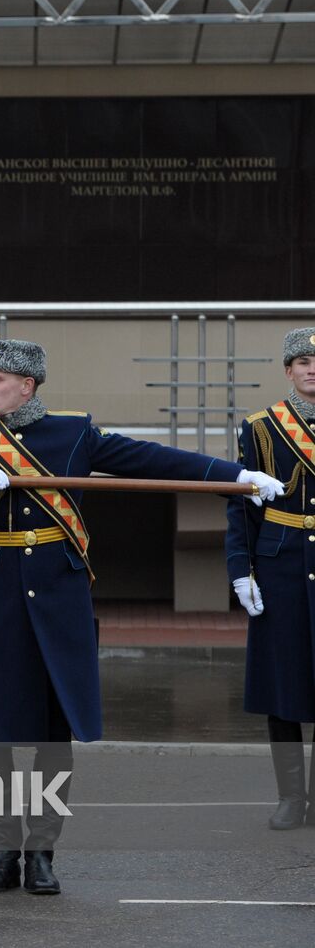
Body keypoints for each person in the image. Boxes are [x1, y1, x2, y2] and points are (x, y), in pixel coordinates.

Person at [0, 338, 280, 896]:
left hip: (60, 592)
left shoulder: (73, 433)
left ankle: (43, 853)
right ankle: (3, 851)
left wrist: (236, 476)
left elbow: (153, 459)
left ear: (27, 385)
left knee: (55, 732)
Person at [226, 327, 315, 830]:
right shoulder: (261, 428)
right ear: (288, 371)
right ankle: (290, 797)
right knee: (284, 683)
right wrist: (241, 571)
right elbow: (242, 507)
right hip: (279, 564)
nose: (310, 368)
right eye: (301, 361)